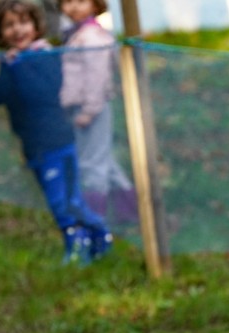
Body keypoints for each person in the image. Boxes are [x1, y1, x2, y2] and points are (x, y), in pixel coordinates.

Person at [0, 0, 112, 264]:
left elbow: (42, 92)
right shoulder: (10, 62)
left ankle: (78, 246)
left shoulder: (45, 55)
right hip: (33, 148)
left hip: (58, 143)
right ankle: (101, 236)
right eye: (9, 25)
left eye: (24, 22)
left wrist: (17, 68)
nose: (18, 30)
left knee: (63, 202)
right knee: (66, 200)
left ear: (36, 26)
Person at [59, 0, 137, 224]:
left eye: (80, 0)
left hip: (91, 109)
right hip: (82, 107)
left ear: (95, 4)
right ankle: (129, 213)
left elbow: (97, 77)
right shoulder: (79, 34)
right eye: (67, 1)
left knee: (91, 166)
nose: (73, 6)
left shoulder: (92, 36)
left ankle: (96, 220)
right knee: (106, 162)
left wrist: (89, 110)